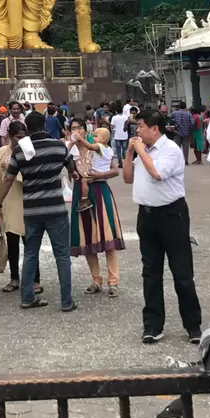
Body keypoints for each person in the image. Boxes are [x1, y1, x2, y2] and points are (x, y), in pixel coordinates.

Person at [123, 109, 202, 345]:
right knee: (150, 272)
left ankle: (193, 325)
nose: (137, 131)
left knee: (182, 273)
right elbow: (127, 178)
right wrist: (129, 153)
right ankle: (153, 325)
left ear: (154, 129)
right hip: (146, 216)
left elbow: (157, 173)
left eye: (140, 126)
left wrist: (138, 150)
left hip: (172, 215)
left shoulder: (171, 150)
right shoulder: (141, 151)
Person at [0, 111, 74, 313]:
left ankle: (27, 297)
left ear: (28, 129)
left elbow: (9, 179)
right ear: (46, 126)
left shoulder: (21, 151)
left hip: (32, 211)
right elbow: (72, 167)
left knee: (30, 254)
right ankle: (66, 301)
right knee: (62, 256)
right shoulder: (58, 146)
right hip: (56, 209)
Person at [70, 127, 125, 296]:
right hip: (81, 194)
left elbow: (115, 170)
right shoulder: (71, 152)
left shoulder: (98, 149)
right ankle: (96, 280)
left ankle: (113, 282)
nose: (76, 131)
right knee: (88, 238)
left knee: (108, 236)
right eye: (73, 128)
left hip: (100, 191)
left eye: (79, 128)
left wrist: (102, 174)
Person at [0, 120, 40, 295]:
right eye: (18, 137)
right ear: (10, 137)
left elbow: (34, 175)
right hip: (8, 200)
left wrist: (16, 173)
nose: (21, 140)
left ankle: (35, 279)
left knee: (30, 242)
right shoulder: (2, 152)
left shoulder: (29, 151)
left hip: (27, 199)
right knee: (12, 242)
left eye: (24, 137)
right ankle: (14, 278)